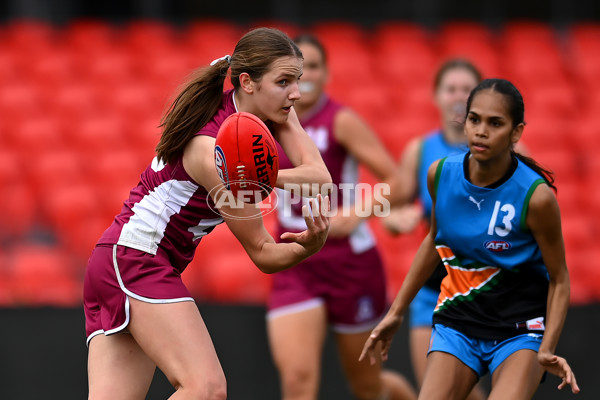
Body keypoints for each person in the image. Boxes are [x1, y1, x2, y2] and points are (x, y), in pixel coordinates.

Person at [84, 27, 333, 400]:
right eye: (284, 81)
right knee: (207, 388)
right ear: (247, 82)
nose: (296, 93)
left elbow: (321, 179)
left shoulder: (274, 112)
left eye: (296, 81)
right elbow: (264, 253)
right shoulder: (209, 150)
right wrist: (306, 246)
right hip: (136, 258)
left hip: (118, 262)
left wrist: (256, 170)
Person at [360, 78, 580, 399]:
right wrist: (395, 312)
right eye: (474, 119)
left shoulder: (536, 198)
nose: (481, 131)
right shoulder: (441, 174)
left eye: (495, 123)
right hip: (458, 322)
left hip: (518, 331)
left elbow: (560, 279)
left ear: (516, 132)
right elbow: (434, 240)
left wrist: (547, 348)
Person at [266, 34, 416, 400]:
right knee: (297, 382)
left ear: (327, 72)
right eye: (295, 71)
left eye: (313, 66)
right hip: (294, 261)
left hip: (350, 263)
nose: (305, 76)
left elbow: (398, 182)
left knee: (368, 387)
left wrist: (357, 212)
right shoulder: (263, 123)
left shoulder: (341, 120)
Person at [384, 59, 487, 399]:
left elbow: (539, 201)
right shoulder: (421, 151)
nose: (459, 96)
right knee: (433, 392)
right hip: (434, 291)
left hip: (487, 291)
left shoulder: (505, 151)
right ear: (437, 96)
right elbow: (392, 204)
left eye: (467, 89)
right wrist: (394, 221)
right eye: (451, 89)